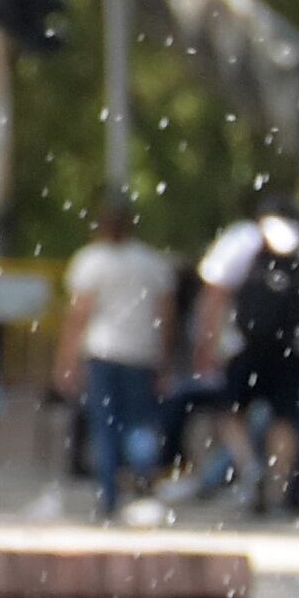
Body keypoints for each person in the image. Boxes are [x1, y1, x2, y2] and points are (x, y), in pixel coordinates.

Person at [184, 187, 299, 517]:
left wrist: (206, 343)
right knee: (284, 419)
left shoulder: (243, 241)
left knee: (231, 412)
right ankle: (278, 488)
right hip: (292, 349)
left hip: (244, 346)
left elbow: (214, 293)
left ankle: (249, 467)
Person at [57, 200, 179, 522]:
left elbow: (78, 315)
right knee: (139, 424)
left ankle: (109, 496)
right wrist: (164, 358)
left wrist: (67, 359)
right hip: (142, 352)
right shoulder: (151, 262)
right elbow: (165, 315)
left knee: (105, 426)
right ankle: (143, 483)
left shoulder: (91, 261)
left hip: (103, 351)